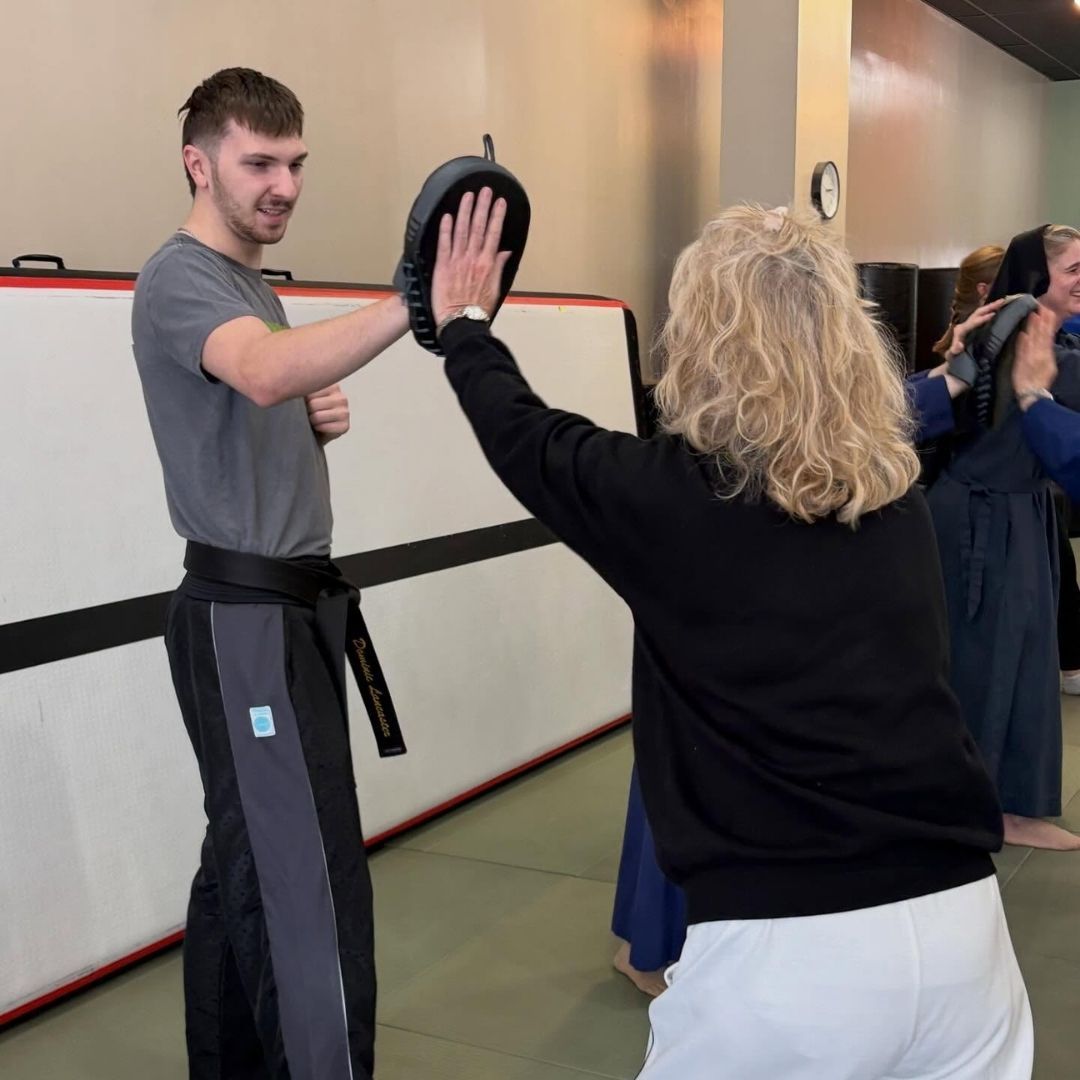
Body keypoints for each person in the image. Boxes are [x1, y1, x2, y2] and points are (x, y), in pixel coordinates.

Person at [428, 190, 1030, 1078]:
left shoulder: (668, 499)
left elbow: (523, 432)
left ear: (699, 337)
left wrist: (465, 325)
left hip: (789, 967)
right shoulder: (891, 493)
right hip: (967, 944)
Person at [132, 68, 410, 1080]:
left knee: (243, 862)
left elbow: (263, 390)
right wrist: (412, 302)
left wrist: (312, 417)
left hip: (289, 613)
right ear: (198, 162)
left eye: (294, 162)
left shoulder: (252, 287)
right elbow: (255, 370)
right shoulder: (181, 277)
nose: (283, 183)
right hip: (244, 622)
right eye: (258, 162)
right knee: (303, 887)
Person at [915, 225, 1080, 852]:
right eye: (1073, 269)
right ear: (1037, 277)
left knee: (1030, 664)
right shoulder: (1016, 333)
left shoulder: (1044, 333)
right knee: (983, 664)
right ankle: (966, 807)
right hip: (979, 521)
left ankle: (1016, 806)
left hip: (1023, 513)